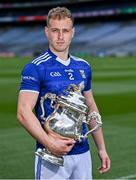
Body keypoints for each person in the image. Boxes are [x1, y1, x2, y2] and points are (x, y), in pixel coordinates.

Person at [17, 7, 110, 180]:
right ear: (47, 32)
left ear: (72, 33)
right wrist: (50, 143)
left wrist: (102, 148)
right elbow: (23, 112)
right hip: (50, 154)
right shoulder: (36, 67)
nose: (60, 36)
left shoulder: (84, 66)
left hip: (83, 153)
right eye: (55, 30)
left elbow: (90, 107)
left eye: (65, 30)